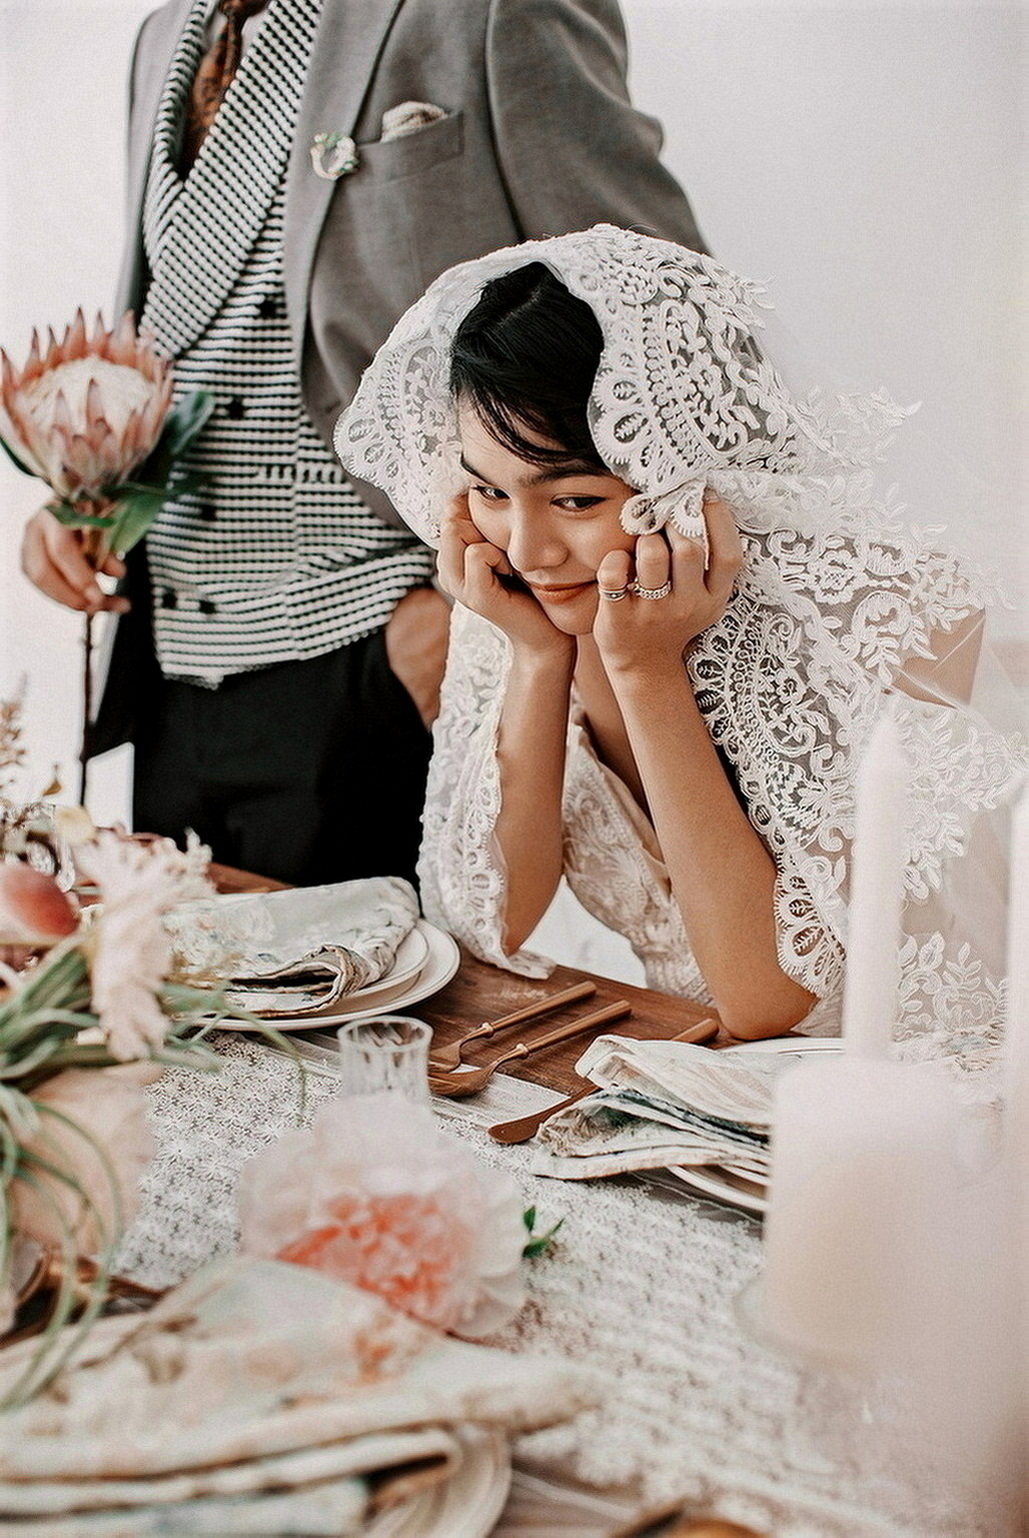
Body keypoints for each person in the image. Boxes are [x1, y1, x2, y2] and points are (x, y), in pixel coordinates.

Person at [18, 0, 706, 886]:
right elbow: (191, 336)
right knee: (164, 969)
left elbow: (663, 309)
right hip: (171, 659)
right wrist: (90, 497)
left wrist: (452, 620)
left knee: (382, 979)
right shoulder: (164, 38)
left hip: (373, 645)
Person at [335, 225, 1022, 1051]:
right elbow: (490, 922)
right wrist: (537, 658)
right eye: (489, 492)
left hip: (899, 1084)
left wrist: (644, 672)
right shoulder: (532, 600)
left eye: (575, 500)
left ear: (685, 473)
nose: (527, 549)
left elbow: (767, 1003)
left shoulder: (876, 610)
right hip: (685, 1067)